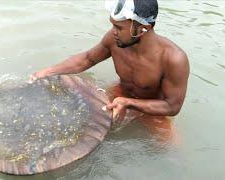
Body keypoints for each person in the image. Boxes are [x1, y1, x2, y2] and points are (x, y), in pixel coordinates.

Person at [30, 0, 189, 142]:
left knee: (170, 148)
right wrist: (48, 72)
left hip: (151, 110)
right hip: (118, 94)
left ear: (142, 29)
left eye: (119, 27)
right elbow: (87, 59)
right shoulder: (115, 40)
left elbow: (172, 107)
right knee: (86, 126)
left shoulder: (173, 59)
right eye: (113, 25)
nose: (113, 31)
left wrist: (129, 103)